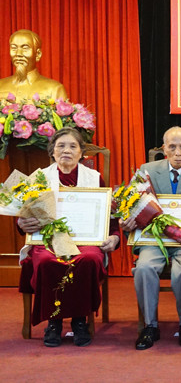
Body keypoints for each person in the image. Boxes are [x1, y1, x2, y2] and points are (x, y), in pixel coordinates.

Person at [17, 127, 120, 347]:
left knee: (89, 259)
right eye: (61, 146)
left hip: (85, 240)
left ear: (82, 153)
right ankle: (53, 321)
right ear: (52, 151)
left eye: (73, 146)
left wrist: (114, 237)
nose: (66, 150)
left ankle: (80, 320)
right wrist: (21, 223)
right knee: (46, 261)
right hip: (48, 240)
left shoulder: (94, 178)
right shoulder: (39, 178)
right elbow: (25, 217)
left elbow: (109, 217)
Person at [120, 126, 181, 350]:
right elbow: (130, 203)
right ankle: (150, 326)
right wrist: (127, 220)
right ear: (164, 148)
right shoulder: (146, 171)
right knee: (144, 268)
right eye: (172, 147)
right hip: (154, 240)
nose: (177, 152)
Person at [0, 29, 68, 101]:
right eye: (14, 48)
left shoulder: (54, 89)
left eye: (25, 48)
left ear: (38, 54)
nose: (18, 54)